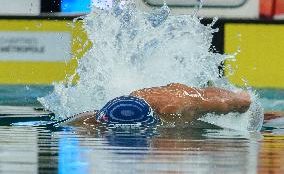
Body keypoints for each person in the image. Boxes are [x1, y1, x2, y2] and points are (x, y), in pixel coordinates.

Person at [60, 83, 251, 127]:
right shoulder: (96, 120)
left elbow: (212, 99)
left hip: (175, 99)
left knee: (235, 102)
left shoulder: (178, 107)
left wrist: (239, 100)